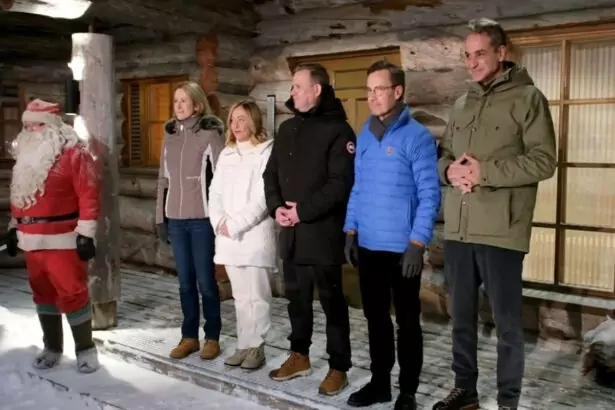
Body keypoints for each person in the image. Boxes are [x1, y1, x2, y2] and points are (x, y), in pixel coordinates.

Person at [433, 18, 557, 410]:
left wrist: (484, 172)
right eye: (467, 55)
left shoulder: (528, 98)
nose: (471, 62)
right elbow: (445, 155)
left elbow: (544, 161)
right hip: (460, 230)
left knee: (507, 326)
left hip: (502, 231)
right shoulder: (462, 103)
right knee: (461, 319)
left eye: (480, 53)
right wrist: (449, 172)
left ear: (501, 53)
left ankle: (507, 402)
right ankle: (465, 391)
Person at [343, 60, 440, 410]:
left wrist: (417, 243)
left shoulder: (418, 137)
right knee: (375, 319)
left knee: (407, 322)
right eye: (368, 90)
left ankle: (408, 391)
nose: (372, 97)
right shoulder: (365, 135)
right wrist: (351, 229)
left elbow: (430, 194)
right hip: (369, 244)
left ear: (397, 91)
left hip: (402, 249)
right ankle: (380, 383)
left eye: (379, 89)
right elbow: (358, 187)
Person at [263, 62, 355, 396]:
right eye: (292, 86)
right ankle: (299, 356)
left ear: (317, 89)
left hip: (323, 233)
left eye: (297, 86)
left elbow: (339, 184)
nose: (292, 92)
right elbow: (270, 174)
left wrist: (301, 211)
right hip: (291, 233)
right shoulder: (287, 128)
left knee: (332, 303)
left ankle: (338, 367)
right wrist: (277, 208)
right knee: (296, 300)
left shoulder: (339, 131)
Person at [6, 98, 101, 373]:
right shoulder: (25, 157)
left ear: (51, 127)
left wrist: (86, 233)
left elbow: (88, 194)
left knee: (73, 293)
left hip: (62, 238)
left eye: (36, 125)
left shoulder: (74, 154)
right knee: (42, 294)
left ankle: (85, 349)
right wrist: (13, 226)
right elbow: (20, 196)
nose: (30, 130)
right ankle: (52, 347)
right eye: (27, 126)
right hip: (30, 238)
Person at [155, 81, 225, 361]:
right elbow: (163, 179)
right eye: (176, 101)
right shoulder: (170, 135)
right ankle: (189, 337)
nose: (179, 105)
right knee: (185, 283)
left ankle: (212, 337)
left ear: (197, 105)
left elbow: (220, 179)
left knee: (206, 281)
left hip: (201, 220)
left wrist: (219, 218)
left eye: (184, 100)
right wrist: (160, 217)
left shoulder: (210, 134)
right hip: (176, 220)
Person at [208, 100, 276, 370]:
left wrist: (236, 224)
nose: (236, 125)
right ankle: (244, 344)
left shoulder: (265, 152)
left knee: (257, 296)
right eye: (233, 120)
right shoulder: (227, 154)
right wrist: (219, 221)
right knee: (240, 297)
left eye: (242, 119)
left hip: (255, 236)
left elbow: (263, 198)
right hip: (228, 237)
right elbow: (215, 193)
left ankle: (257, 346)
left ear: (254, 121)